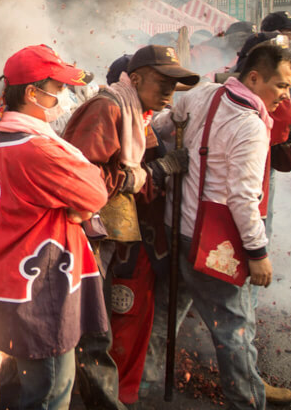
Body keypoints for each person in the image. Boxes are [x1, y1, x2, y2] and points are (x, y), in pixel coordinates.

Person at [150, 42, 291, 410]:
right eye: (280, 86)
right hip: (212, 242)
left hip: (176, 230)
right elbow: (242, 199)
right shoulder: (249, 125)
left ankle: (142, 392)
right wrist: (257, 252)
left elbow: (161, 127)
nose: (286, 94)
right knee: (234, 332)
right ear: (253, 77)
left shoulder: (202, 94)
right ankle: (247, 403)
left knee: (161, 320)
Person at [60, 45, 196, 406]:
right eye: (162, 81)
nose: (169, 90)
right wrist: (151, 173)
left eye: (174, 83)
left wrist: (152, 173)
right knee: (93, 330)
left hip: (111, 237)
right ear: (135, 79)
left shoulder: (139, 115)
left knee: (97, 329)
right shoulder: (109, 108)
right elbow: (80, 180)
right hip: (86, 236)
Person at [0, 45, 109, 410]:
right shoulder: (37, 149)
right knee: (49, 391)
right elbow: (95, 191)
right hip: (36, 294)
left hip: (12, 285)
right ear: (33, 93)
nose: (65, 96)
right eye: (59, 87)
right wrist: (79, 209)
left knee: (24, 388)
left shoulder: (7, 137)